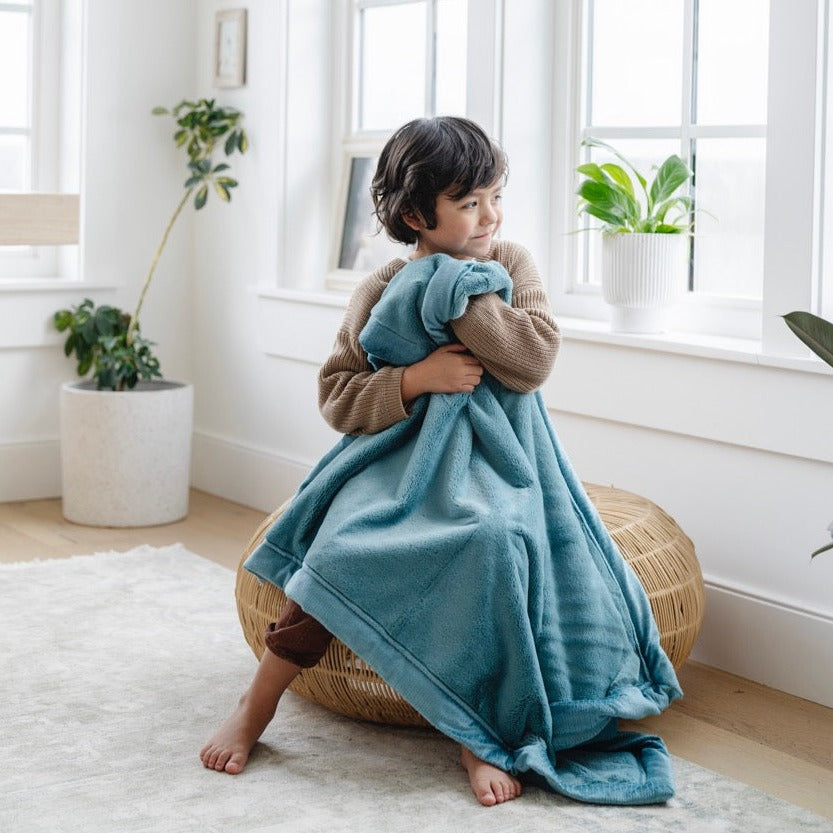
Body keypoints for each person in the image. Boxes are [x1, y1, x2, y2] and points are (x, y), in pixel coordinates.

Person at [200, 116, 561, 807]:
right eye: (469, 202)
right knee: (338, 550)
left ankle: (473, 733)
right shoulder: (378, 288)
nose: (491, 214)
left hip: (493, 464)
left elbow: (534, 358)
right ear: (414, 214)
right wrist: (414, 379)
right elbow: (337, 395)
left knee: (491, 543)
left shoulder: (509, 266)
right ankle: (257, 703)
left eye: (494, 194)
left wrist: (456, 293)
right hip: (392, 464)